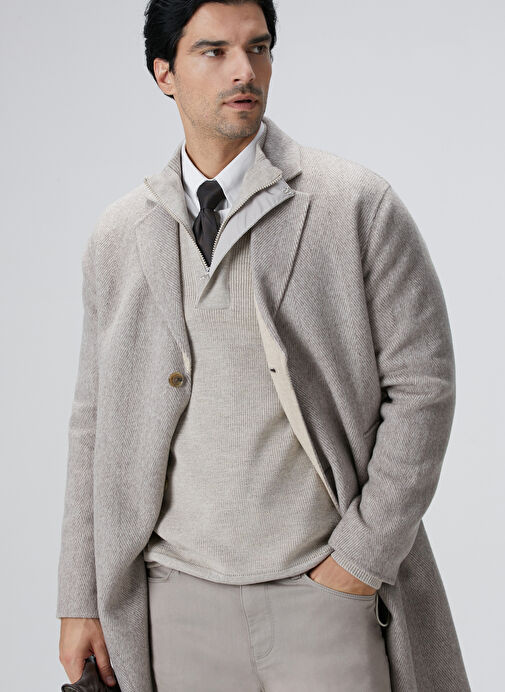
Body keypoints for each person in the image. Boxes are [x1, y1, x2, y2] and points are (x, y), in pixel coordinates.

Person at [57, 1, 471, 691]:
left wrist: (359, 560)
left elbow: (424, 388)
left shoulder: (355, 205)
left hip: (324, 598)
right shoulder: (120, 235)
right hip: (174, 604)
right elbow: (93, 421)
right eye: (213, 51)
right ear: (163, 73)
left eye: (258, 47)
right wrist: (79, 598)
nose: (244, 70)